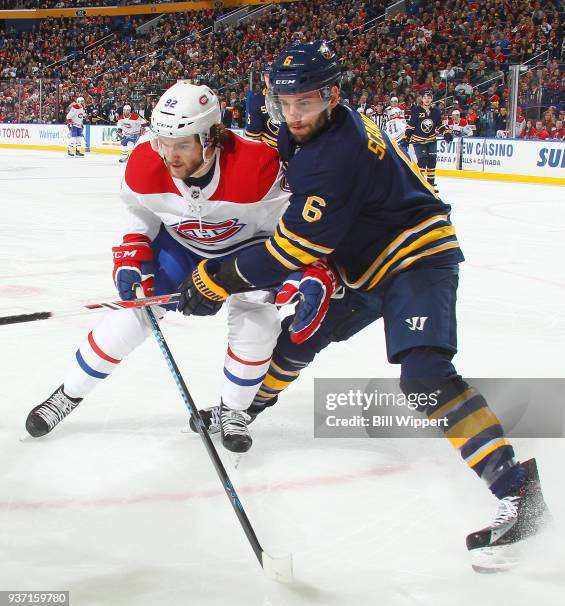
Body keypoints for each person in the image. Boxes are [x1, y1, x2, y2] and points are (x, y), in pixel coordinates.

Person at [175, 40, 549, 572]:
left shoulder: (336, 152)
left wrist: (216, 278)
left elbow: (292, 250)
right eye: (285, 103)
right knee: (301, 334)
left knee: (425, 376)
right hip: (361, 259)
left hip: (414, 254)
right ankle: (247, 408)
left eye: (304, 102)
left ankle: (518, 490)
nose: (294, 115)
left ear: (332, 95)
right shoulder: (305, 129)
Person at [25, 81, 290, 453]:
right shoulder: (145, 160)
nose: (170, 156)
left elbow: (287, 227)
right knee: (134, 313)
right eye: (163, 142)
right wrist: (133, 255)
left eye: (181, 145)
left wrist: (274, 275)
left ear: (212, 138)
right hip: (181, 247)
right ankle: (67, 395)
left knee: (257, 317)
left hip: (245, 252)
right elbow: (141, 213)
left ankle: (234, 410)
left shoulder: (259, 166)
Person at [404, 90, 453, 194]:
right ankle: (420, 184)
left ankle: (430, 184)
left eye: (429, 97)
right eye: (425, 97)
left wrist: (446, 132)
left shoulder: (436, 111)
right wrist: (407, 136)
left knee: (432, 161)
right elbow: (411, 125)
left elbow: (439, 125)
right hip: (418, 141)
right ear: (422, 99)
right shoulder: (416, 110)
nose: (427, 99)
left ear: (432, 99)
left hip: (431, 140)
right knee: (422, 161)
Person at [244, 63, 279, 147]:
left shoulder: (293, 95)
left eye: (273, 74)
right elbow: (252, 139)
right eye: (267, 75)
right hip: (271, 151)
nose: (270, 79)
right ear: (263, 77)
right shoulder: (257, 101)